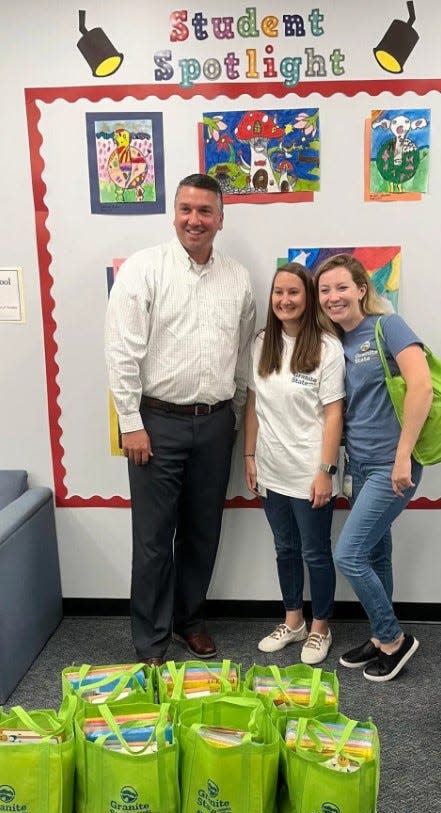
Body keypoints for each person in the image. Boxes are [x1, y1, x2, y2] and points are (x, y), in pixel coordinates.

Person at [104, 173, 256, 666]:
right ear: (174, 213)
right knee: (152, 538)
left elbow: (242, 354)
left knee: (202, 530)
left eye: (205, 211)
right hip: (155, 423)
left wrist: (233, 415)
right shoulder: (143, 270)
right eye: (186, 209)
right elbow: (121, 352)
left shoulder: (237, 278)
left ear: (220, 219)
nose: (195, 219)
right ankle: (150, 638)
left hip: (215, 423)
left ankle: (189, 622)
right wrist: (130, 421)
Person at [315, 253, 433, 681]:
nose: (333, 297)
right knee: (376, 552)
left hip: (392, 464)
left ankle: (394, 637)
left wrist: (404, 455)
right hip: (361, 466)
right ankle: (381, 638)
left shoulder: (388, 326)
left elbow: (422, 387)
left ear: (362, 288)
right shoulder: (334, 342)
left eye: (342, 287)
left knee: (348, 554)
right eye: (325, 290)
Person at [244, 261, 345, 664]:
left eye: (294, 293)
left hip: (310, 473)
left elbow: (334, 414)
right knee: (284, 548)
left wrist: (325, 470)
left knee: (315, 553)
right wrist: (249, 456)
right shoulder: (261, 343)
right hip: (271, 468)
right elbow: (253, 403)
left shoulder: (326, 347)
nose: (284, 300)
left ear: (307, 298)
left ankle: (321, 627)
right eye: (278, 293)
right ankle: (294, 620)